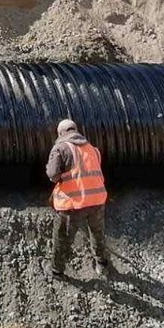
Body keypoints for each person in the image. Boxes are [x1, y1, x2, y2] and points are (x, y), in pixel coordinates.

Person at [46, 119, 109, 278]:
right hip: (97, 201)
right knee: (97, 233)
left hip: (72, 204)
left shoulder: (60, 148)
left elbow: (53, 175)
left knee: (62, 238)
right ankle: (102, 264)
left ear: (61, 133)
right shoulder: (93, 149)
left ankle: (56, 270)